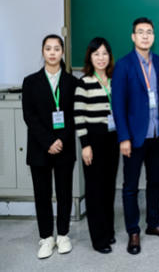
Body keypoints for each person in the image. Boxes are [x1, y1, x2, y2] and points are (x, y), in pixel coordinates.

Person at [113, 18, 159, 255]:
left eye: (149, 32)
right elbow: (118, 106)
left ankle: (153, 223)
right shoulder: (123, 65)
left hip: (156, 135)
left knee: (155, 182)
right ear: (133, 36)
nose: (145, 36)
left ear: (153, 36)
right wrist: (123, 137)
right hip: (134, 137)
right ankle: (133, 231)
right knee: (130, 187)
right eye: (141, 32)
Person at [22, 34, 78, 259]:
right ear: (43, 52)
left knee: (64, 193)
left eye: (57, 49)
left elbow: (74, 115)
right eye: (48, 48)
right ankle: (46, 237)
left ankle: (63, 235)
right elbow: (29, 115)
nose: (52, 53)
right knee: (42, 195)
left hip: (64, 146)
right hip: (40, 147)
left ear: (62, 52)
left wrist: (60, 140)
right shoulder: (30, 81)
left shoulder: (72, 82)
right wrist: (48, 141)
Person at [74, 37, 120, 254]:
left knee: (109, 187)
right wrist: (85, 145)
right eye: (96, 54)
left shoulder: (114, 80)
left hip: (112, 139)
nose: (101, 58)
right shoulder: (84, 83)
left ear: (109, 56)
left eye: (104, 53)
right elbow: (79, 116)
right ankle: (98, 239)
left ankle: (108, 231)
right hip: (93, 140)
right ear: (90, 58)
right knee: (95, 190)